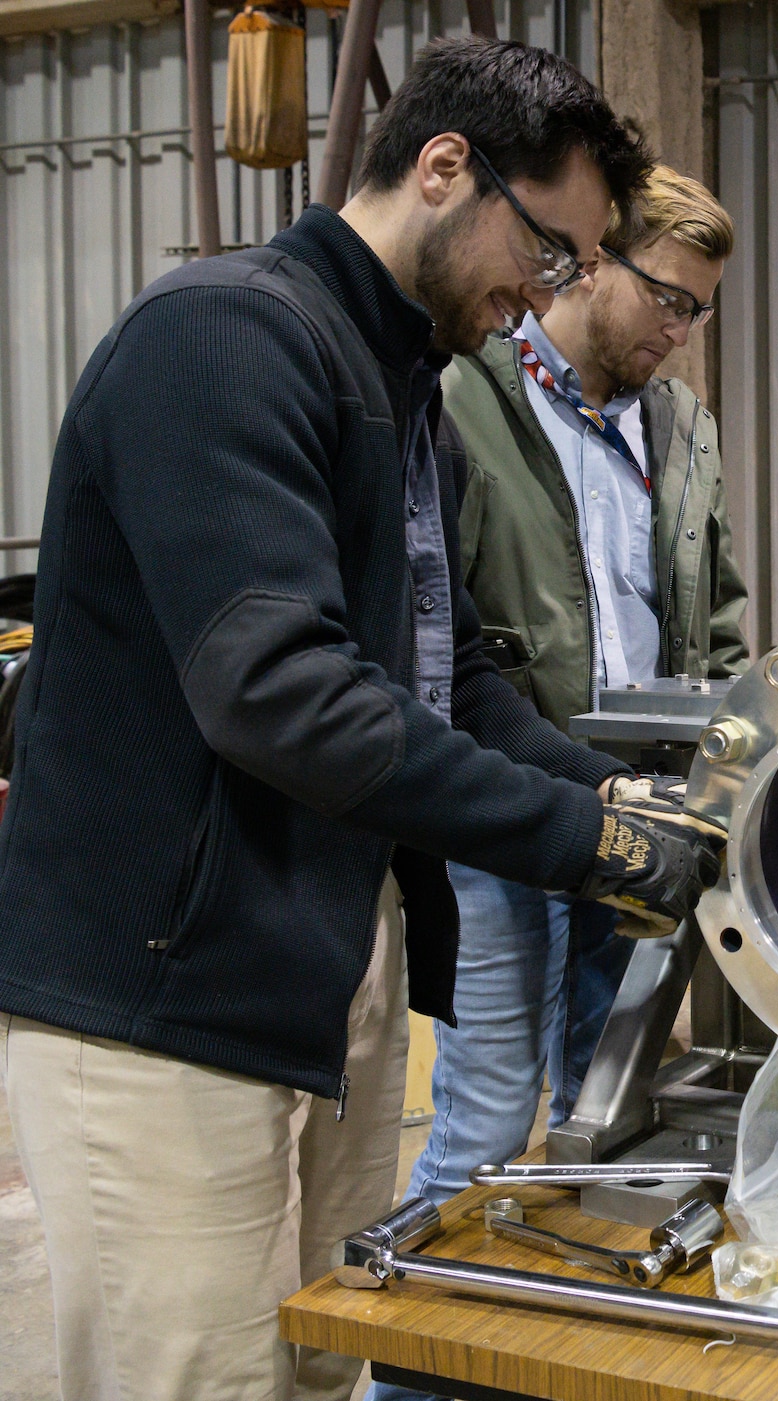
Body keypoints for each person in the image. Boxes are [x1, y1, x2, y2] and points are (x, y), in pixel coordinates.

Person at [0, 38, 723, 1401]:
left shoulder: (411, 403)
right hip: (165, 998)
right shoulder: (226, 339)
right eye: (548, 250)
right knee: (195, 1378)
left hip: (324, 965)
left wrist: (620, 798)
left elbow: (456, 677)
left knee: (322, 1363)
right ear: (445, 168)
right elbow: (280, 694)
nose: (544, 296)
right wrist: (582, 841)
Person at [394, 163, 749, 1220]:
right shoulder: (463, 396)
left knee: (612, 1091)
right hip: (500, 803)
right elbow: (433, 627)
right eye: (669, 298)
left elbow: (716, 617)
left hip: (638, 806)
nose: (682, 330)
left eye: (701, 310)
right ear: (593, 266)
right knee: (488, 1120)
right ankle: (422, 1377)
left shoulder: (680, 425)